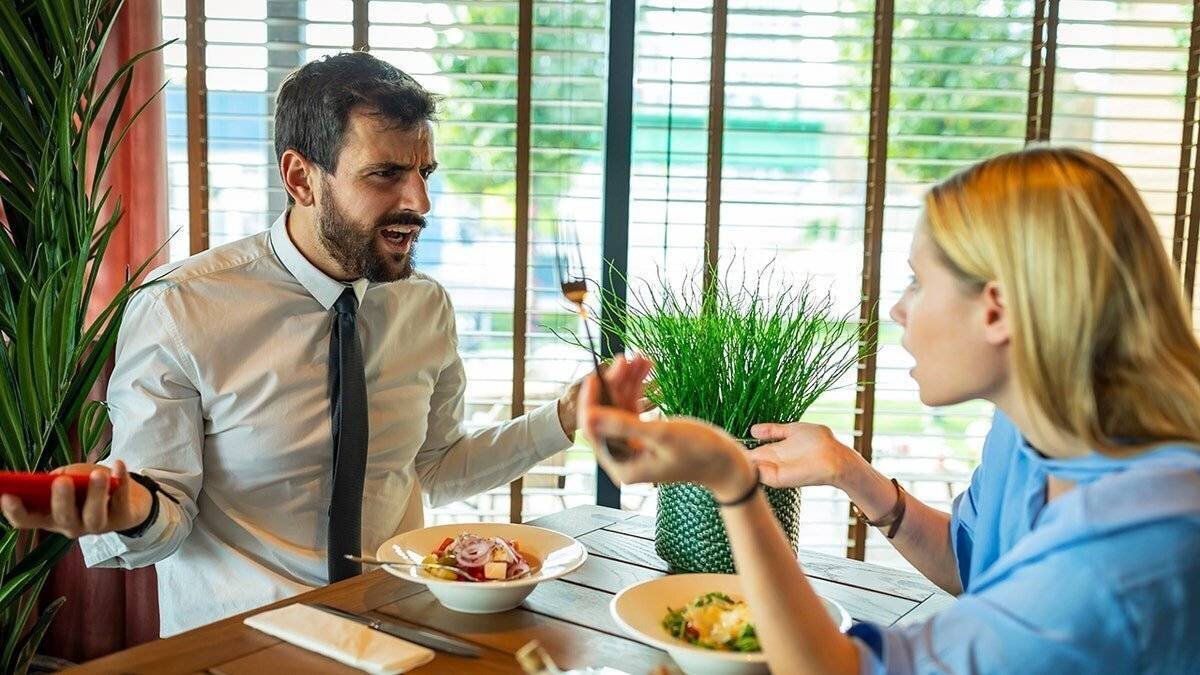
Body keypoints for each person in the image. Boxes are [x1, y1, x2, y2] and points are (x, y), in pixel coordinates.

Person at [0, 52, 583, 636]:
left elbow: (432, 468)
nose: (419, 204)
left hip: (396, 636)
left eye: (424, 173)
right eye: (385, 175)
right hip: (245, 648)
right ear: (301, 178)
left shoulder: (424, 305)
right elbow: (165, 514)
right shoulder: (180, 308)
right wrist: (131, 509)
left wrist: (563, 419)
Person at [581, 147, 1200, 674]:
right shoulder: (1030, 430)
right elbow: (971, 562)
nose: (899, 310)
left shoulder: (1123, 551)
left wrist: (731, 479)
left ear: (997, 310)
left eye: (917, 282)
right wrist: (850, 472)